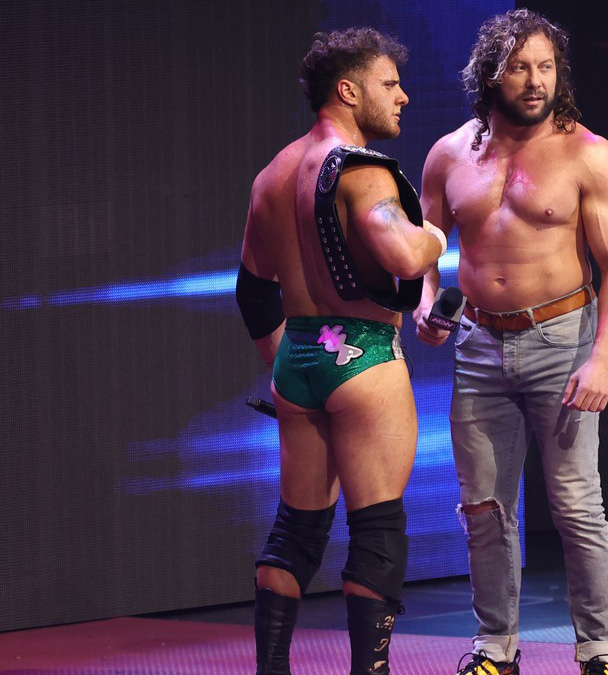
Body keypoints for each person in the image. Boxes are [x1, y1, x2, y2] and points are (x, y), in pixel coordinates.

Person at [414, 10, 608, 675]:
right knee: (483, 507)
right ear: (490, 73)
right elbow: (425, 247)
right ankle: (495, 648)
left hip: (563, 338)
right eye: (520, 67)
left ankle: (600, 650)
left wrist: (603, 356)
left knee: (575, 504)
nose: (535, 80)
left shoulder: (588, 153)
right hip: (479, 343)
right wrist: (429, 303)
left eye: (545, 66)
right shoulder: (450, 153)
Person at [236, 27, 448, 675]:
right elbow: (404, 253)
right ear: (349, 91)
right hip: (363, 358)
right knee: (377, 529)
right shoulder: (362, 171)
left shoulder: (271, 174)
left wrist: (284, 360)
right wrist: (435, 232)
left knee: (295, 531)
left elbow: (252, 291)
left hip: (298, 359)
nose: (405, 97)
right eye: (391, 85)